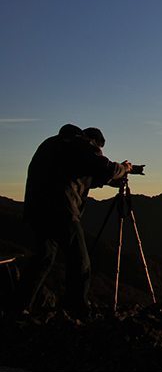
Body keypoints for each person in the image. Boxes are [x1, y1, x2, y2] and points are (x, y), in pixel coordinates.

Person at [19, 123, 133, 317]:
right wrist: (124, 168)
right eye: (99, 149)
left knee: (43, 258)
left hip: (35, 211)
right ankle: (76, 309)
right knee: (80, 261)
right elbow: (104, 168)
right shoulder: (81, 145)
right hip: (61, 211)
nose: (98, 153)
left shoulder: (53, 144)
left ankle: (19, 306)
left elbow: (85, 175)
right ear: (94, 141)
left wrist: (112, 178)